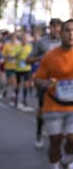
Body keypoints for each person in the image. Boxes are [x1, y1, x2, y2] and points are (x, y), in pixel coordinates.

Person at [34, 18, 73, 169]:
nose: (71, 34)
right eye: (67, 30)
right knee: (55, 140)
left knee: (72, 139)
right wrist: (45, 83)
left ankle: (66, 160)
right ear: (60, 33)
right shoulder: (50, 56)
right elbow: (38, 79)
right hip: (53, 103)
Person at [29, 19, 62, 148]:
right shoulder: (42, 42)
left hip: (64, 82)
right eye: (54, 27)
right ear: (50, 28)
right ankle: (39, 133)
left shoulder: (66, 42)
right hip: (46, 81)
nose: (56, 30)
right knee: (43, 109)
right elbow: (29, 59)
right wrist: (42, 58)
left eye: (58, 27)